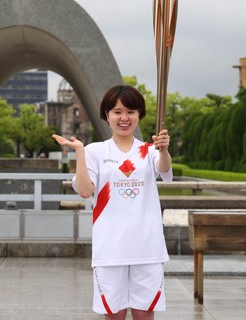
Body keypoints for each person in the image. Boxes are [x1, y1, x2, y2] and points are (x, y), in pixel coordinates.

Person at [52, 84, 172, 320]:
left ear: (139, 115)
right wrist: (79, 152)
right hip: (111, 248)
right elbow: (86, 191)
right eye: (117, 112)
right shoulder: (95, 151)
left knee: (144, 315)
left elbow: (164, 169)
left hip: (147, 247)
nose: (124, 118)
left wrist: (165, 150)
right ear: (107, 115)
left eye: (131, 111)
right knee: (113, 315)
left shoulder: (150, 150)